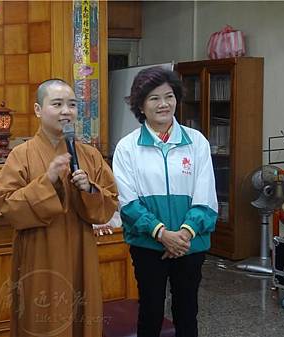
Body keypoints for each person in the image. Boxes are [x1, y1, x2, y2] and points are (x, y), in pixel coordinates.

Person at [0, 79, 118, 337]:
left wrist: (90, 189)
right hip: (40, 252)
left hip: (81, 251)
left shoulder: (89, 154)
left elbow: (109, 202)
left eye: (72, 105)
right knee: (42, 320)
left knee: (81, 317)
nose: (66, 111)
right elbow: (7, 204)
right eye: (57, 104)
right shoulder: (22, 154)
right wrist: (47, 181)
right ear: (39, 110)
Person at [112, 66, 218, 337]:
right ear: (141, 105)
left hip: (189, 245)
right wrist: (162, 234)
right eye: (154, 98)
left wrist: (183, 234)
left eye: (168, 96)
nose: (163, 104)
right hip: (148, 245)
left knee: (187, 312)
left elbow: (206, 197)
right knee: (150, 312)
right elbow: (128, 203)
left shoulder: (197, 142)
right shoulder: (127, 147)